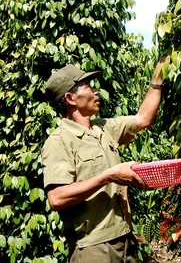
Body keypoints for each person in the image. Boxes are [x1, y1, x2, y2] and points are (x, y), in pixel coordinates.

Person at [41, 56, 165, 262]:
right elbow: (57, 198)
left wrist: (158, 75)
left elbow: (143, 118)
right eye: (87, 86)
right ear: (71, 99)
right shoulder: (59, 141)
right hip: (93, 248)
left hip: (126, 239)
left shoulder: (104, 127)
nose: (95, 91)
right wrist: (109, 176)